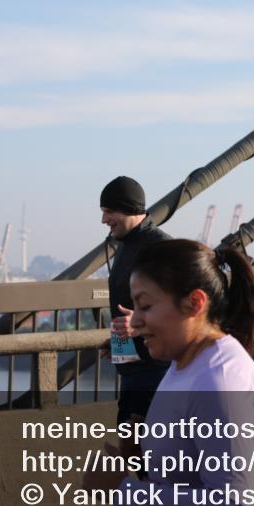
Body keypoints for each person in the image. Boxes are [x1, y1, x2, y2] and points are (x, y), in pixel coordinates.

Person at [83, 239, 254, 506]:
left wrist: (122, 490)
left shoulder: (219, 380)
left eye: (145, 306)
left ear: (194, 303)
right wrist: (145, 450)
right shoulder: (186, 362)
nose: (136, 320)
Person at [99, 176, 170, 426]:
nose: (104, 220)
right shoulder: (125, 245)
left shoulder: (161, 248)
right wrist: (118, 340)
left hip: (156, 372)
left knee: (150, 457)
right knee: (133, 451)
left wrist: (141, 326)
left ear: (129, 208)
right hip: (133, 370)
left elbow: (184, 311)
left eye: (109, 211)